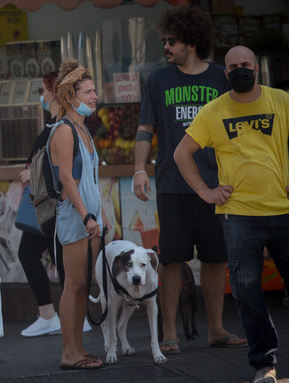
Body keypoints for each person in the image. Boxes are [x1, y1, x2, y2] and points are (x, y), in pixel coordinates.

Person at [132, 4, 246, 355]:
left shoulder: (219, 79)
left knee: (215, 257)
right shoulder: (158, 80)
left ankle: (215, 328)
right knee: (171, 259)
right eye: (164, 40)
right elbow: (143, 130)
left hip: (217, 184)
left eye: (172, 41)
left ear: (191, 43)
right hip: (171, 184)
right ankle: (169, 333)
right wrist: (138, 169)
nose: (166, 47)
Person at [174, 45, 289, 383]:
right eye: (233, 66)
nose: (240, 70)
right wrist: (206, 192)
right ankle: (263, 365)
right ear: (226, 74)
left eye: (245, 65)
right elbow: (182, 154)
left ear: (257, 69)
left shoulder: (281, 101)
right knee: (247, 292)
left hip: (284, 211)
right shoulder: (213, 111)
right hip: (239, 216)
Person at [17, 71, 92, 337]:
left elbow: (60, 168)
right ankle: (70, 316)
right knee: (60, 256)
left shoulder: (58, 127)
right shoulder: (66, 125)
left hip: (54, 203)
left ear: (52, 92)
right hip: (62, 204)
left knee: (29, 253)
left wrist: (32, 173)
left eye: (42, 89)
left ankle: (52, 314)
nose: (41, 95)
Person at [49, 59, 111, 370]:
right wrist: (87, 216)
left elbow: (89, 180)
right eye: (87, 91)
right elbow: (66, 180)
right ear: (70, 96)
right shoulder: (64, 131)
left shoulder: (84, 130)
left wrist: (102, 214)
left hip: (90, 220)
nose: (94, 96)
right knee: (73, 285)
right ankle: (68, 353)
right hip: (75, 220)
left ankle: (78, 348)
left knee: (85, 285)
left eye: (94, 90)